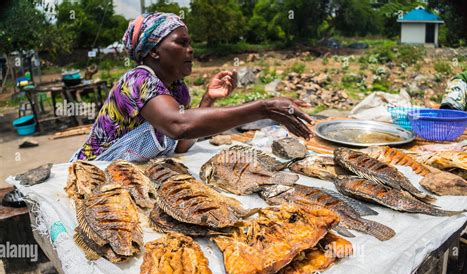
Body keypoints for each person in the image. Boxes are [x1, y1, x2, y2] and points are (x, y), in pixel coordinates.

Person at [70, 12, 314, 162]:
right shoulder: (137, 81)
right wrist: (264, 108)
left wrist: (208, 99)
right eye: (181, 43)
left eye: (191, 43)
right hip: (95, 170)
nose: (191, 50)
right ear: (154, 51)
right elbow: (179, 126)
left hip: (131, 171)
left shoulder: (177, 88)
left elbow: (181, 145)